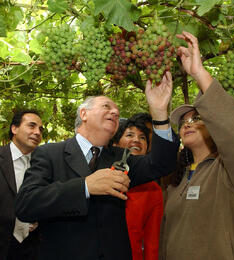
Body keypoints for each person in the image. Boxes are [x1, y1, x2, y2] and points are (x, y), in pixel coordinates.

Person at [15, 73, 180, 260]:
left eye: (117, 112)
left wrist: (159, 112)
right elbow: (26, 204)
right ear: (83, 114)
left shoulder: (123, 157)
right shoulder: (49, 153)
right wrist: (85, 186)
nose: (115, 113)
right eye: (106, 106)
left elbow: (161, 164)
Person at [159, 31, 234, 260]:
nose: (187, 124)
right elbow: (166, 236)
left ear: (214, 126)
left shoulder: (232, 171)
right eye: (183, 122)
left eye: (196, 119)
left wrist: (199, 73)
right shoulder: (175, 178)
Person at [112, 118, 163, 260]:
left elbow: (151, 242)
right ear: (115, 144)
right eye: (129, 135)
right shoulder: (99, 176)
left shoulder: (153, 189)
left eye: (142, 138)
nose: (136, 140)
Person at [0, 110, 43, 260]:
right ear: (14, 129)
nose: (37, 132)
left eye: (40, 129)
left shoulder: (43, 163)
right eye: (32, 126)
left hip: (32, 246)